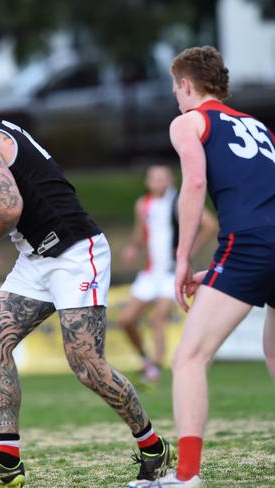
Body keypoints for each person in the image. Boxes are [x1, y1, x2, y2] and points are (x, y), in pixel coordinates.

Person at [0, 63, 173, 488]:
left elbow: (11, 207)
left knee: (86, 365)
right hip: (38, 256)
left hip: (76, 251)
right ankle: (7, 460)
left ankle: (154, 448)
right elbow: (8, 200)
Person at [136, 46, 275, 487]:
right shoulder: (258, 125)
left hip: (250, 244)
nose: (176, 96)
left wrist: (183, 261)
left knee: (189, 357)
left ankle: (187, 476)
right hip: (266, 243)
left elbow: (194, 183)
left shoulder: (189, 121)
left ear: (187, 85)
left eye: (176, 87)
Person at [119, 165, 216, 383]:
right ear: (148, 182)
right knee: (126, 319)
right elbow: (140, 233)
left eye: (162, 178)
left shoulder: (181, 201)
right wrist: (133, 248)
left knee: (157, 318)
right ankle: (146, 360)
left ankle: (157, 368)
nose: (158, 182)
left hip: (171, 271)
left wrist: (187, 252)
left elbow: (210, 225)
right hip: (150, 271)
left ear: (171, 180)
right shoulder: (142, 205)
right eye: (154, 178)